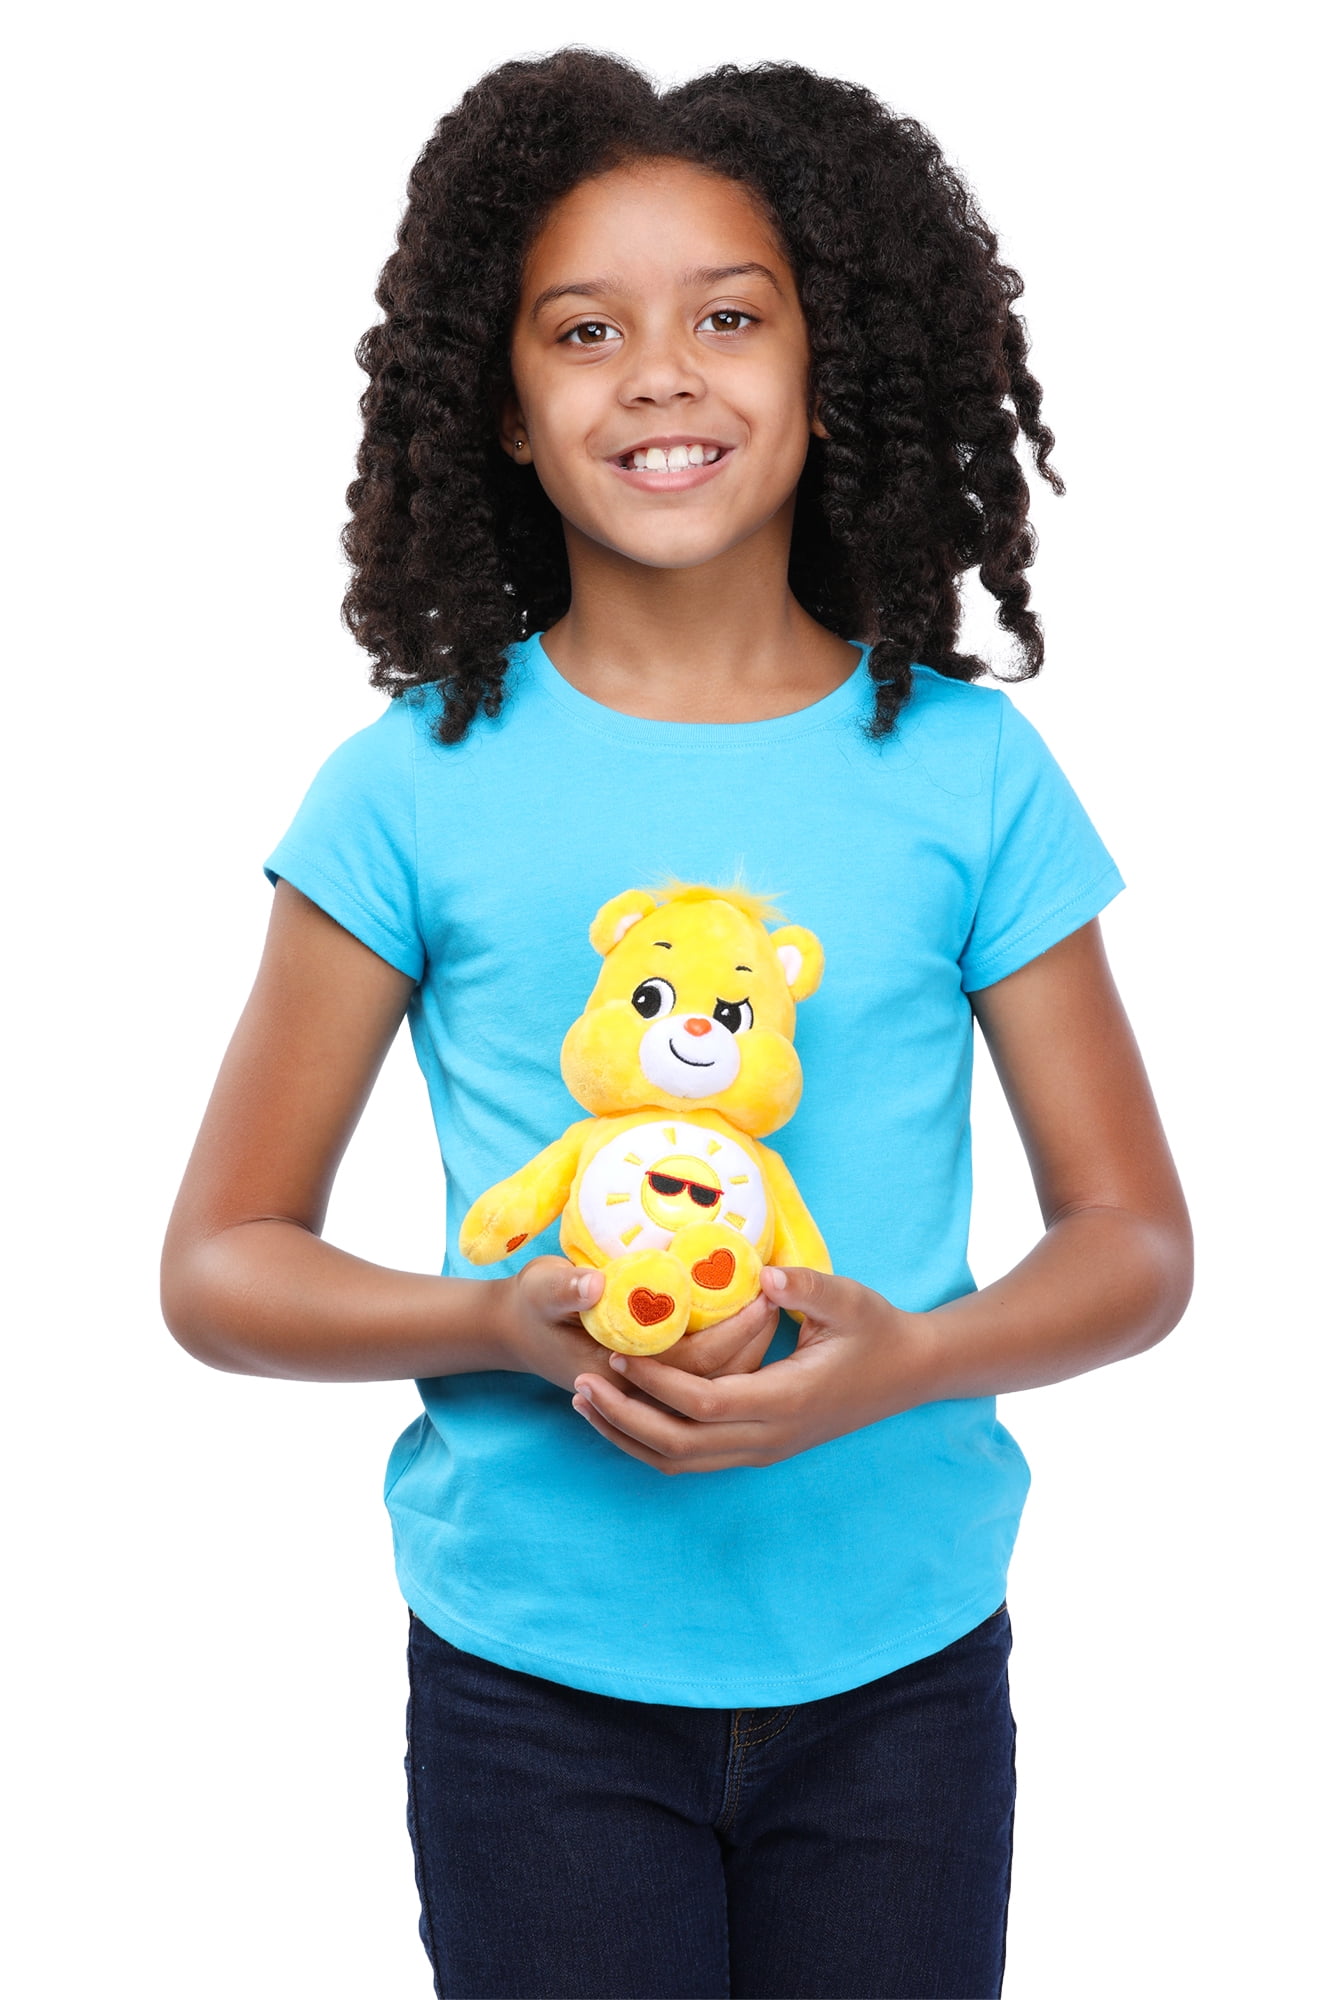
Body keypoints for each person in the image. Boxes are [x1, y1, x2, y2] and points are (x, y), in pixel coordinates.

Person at [161, 49, 1192, 2000]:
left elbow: (1133, 1245)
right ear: (501, 404)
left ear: (831, 367)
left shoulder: (967, 773)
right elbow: (221, 1265)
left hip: (899, 1671)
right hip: (533, 1685)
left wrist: (904, 1360)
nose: (658, 375)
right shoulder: (406, 791)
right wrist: (496, 1323)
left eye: (728, 317)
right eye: (585, 330)